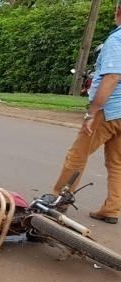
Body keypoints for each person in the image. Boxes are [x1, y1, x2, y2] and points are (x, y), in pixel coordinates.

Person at [53, 1, 121, 224]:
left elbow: (112, 77)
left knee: (77, 154)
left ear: (118, 13)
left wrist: (93, 111)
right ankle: (111, 208)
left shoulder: (117, 39)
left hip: (109, 111)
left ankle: (57, 201)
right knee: (117, 163)